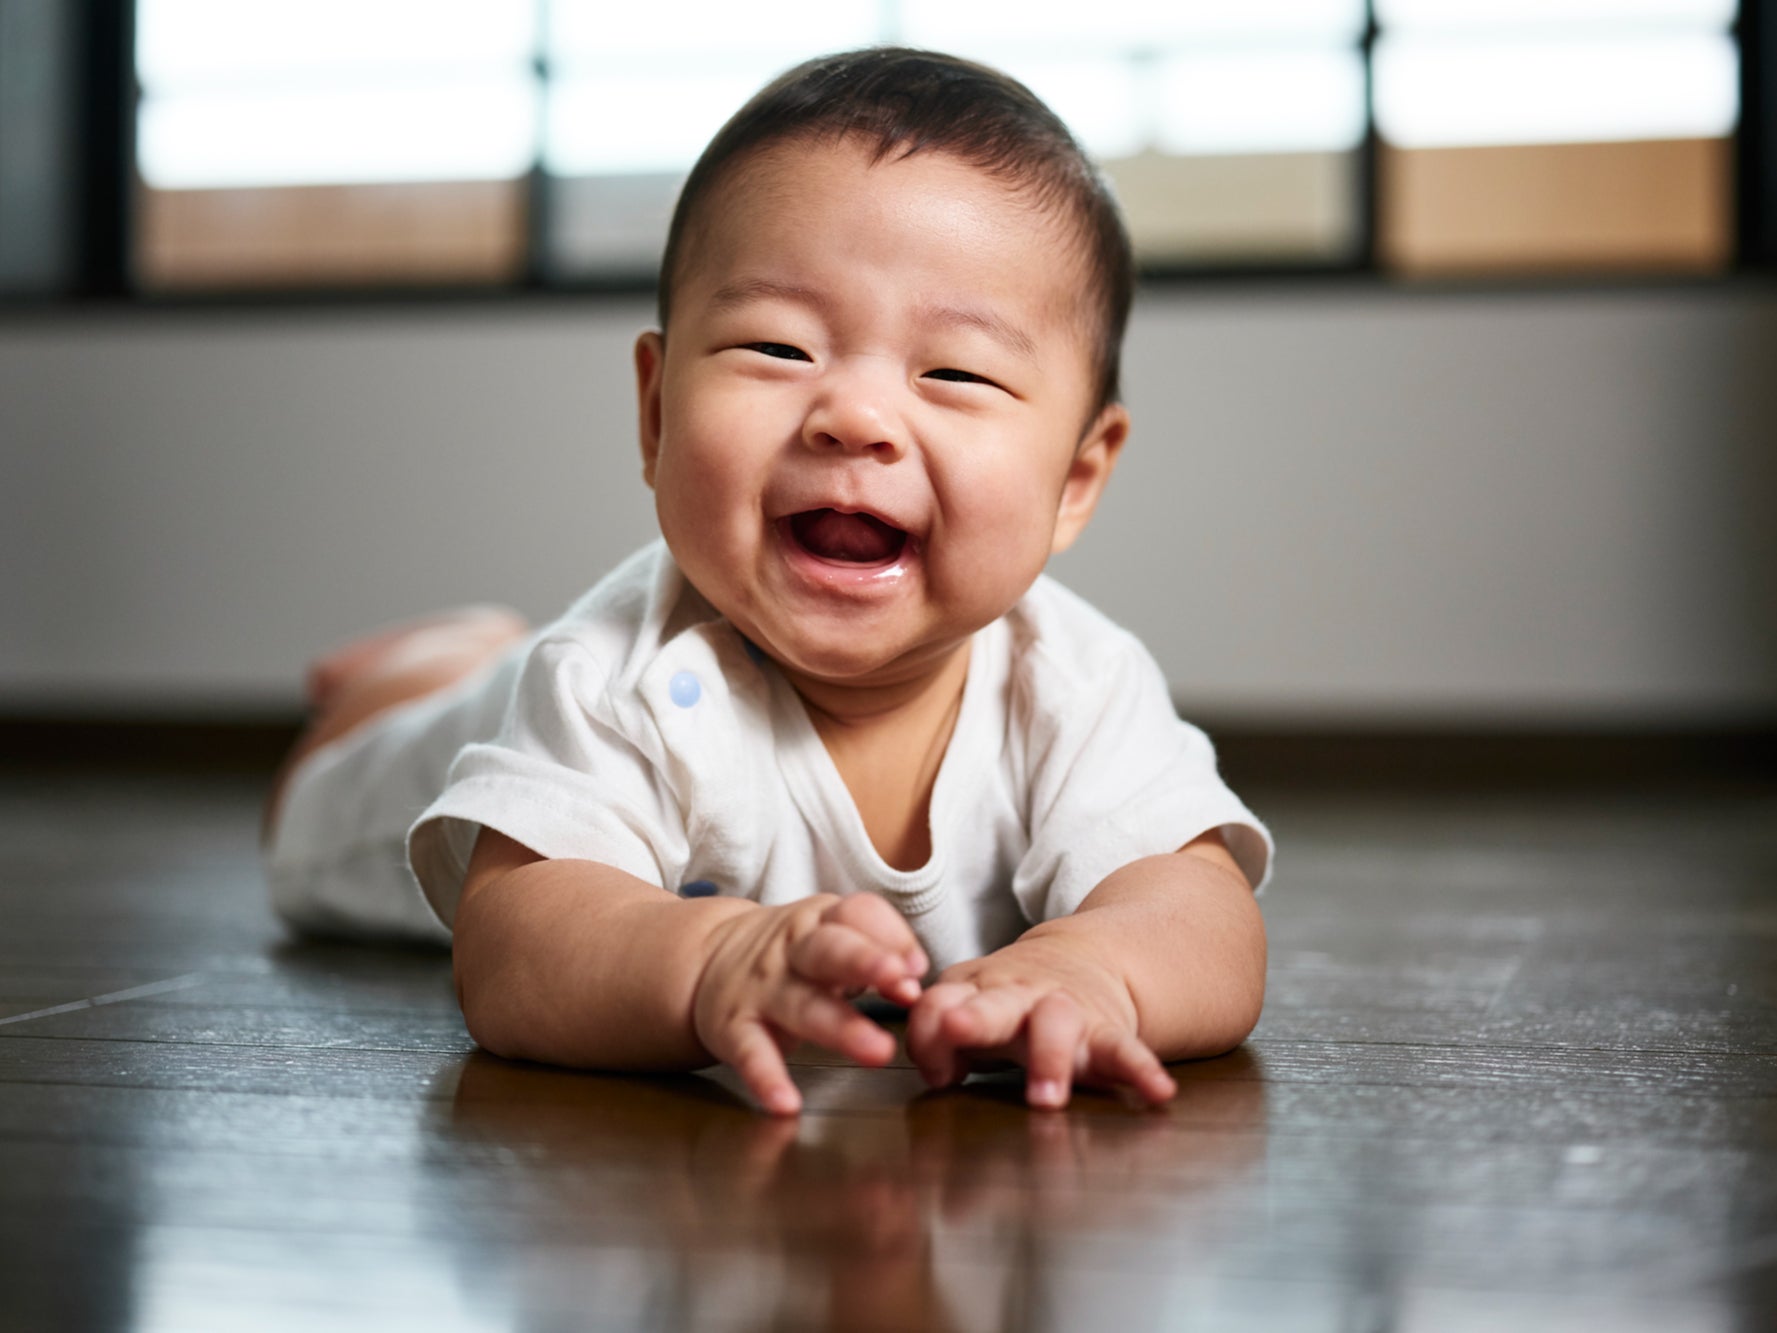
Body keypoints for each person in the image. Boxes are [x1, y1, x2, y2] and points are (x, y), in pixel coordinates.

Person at [264, 47, 1273, 1116]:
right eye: (779, 346)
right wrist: (709, 959)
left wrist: (1095, 969)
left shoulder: (1072, 683)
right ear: (655, 413)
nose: (855, 415)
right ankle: (427, 665)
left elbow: (1198, 907)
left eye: (955, 373)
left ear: (1075, 479)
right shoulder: (613, 677)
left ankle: (475, 645)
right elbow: (513, 945)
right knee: (318, 799)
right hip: (410, 779)